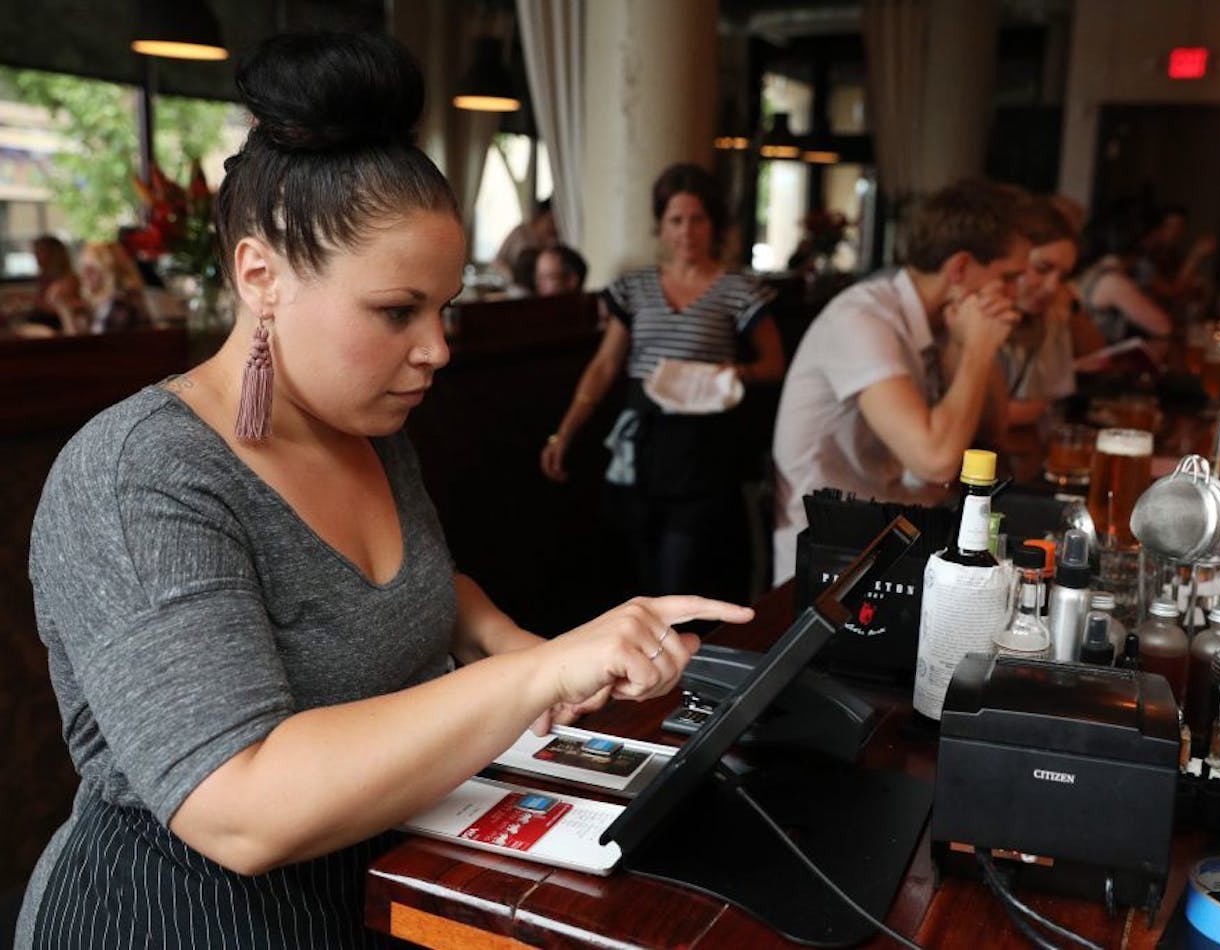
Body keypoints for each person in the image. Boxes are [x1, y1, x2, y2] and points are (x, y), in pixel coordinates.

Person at [18, 32, 750, 949]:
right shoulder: (141, 477)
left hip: (378, 875)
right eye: (397, 311)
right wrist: (535, 676)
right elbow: (240, 807)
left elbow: (411, 591)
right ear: (261, 276)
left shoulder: (366, 422)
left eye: (444, 310)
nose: (437, 348)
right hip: (184, 912)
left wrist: (510, 642)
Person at [540, 163, 785, 602]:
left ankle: (675, 665)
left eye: (697, 219)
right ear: (661, 226)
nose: (686, 231)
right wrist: (565, 432)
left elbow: (773, 364)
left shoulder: (739, 289)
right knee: (639, 573)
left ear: (715, 225)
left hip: (703, 445)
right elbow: (604, 366)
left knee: (680, 575)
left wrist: (739, 372)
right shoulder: (633, 287)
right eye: (676, 220)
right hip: (641, 444)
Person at [770, 179, 1030, 584]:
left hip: (889, 535)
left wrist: (974, 346)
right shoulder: (863, 319)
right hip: (826, 559)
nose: (1016, 295)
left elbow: (991, 431)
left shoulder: (940, 321)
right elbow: (935, 459)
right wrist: (978, 347)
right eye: (1009, 278)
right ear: (960, 268)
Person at [991, 196, 1103, 428]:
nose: (1053, 287)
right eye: (1042, 269)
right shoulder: (972, 312)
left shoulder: (1045, 315)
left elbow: (1095, 357)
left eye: (1062, 277)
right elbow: (987, 417)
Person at [1076, 205, 1174, 344]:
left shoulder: (1099, 268)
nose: (1161, 239)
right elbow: (1163, 327)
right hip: (1095, 359)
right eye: (1156, 235)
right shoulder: (1111, 280)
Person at [1134, 204, 1217, 311]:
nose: (1175, 233)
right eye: (1170, 227)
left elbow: (1190, 290)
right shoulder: (1142, 259)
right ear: (1157, 230)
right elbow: (1171, 292)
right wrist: (1195, 256)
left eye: (1180, 227)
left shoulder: (1173, 255)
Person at [73, 240, 154, 333]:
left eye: (91, 269)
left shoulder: (118, 304)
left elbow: (95, 346)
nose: (84, 275)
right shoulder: (127, 298)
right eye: (83, 269)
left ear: (110, 271)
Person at [494, 198, 558, 281]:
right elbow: (498, 261)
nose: (554, 225)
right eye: (551, 220)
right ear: (541, 216)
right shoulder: (520, 232)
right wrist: (513, 278)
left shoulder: (554, 240)